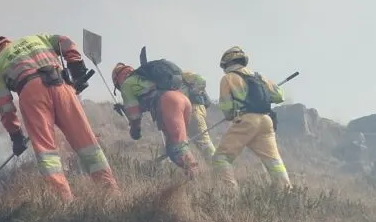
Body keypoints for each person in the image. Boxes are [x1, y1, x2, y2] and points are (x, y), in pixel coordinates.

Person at [0, 34, 119, 201]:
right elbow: (66, 42)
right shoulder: (37, 38)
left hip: (32, 94)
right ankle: (111, 193)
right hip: (61, 86)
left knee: (47, 154)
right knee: (87, 144)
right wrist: (76, 66)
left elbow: (5, 107)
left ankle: (64, 201)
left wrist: (16, 135)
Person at [212, 46, 291, 190]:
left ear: (226, 64)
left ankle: (229, 194)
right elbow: (279, 96)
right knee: (274, 162)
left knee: (221, 158)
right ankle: (286, 192)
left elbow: (227, 110)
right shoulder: (259, 77)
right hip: (266, 122)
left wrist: (232, 113)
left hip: (246, 121)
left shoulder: (228, 78)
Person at [111, 62, 199, 177]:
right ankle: (192, 175)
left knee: (177, 148)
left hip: (169, 103)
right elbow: (145, 101)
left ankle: (195, 177)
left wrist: (135, 131)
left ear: (118, 80)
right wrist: (124, 108)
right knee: (173, 147)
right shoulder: (144, 77)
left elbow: (134, 115)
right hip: (183, 100)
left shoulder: (127, 84)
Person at [181, 70, 217, 161]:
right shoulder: (185, 81)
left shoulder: (181, 79)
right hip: (195, 111)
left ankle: (218, 165)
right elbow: (208, 103)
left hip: (193, 111)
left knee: (204, 141)